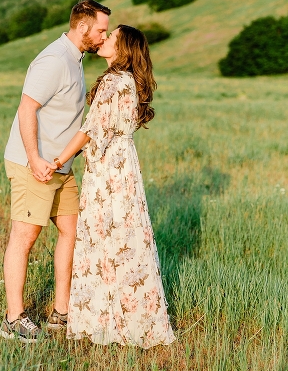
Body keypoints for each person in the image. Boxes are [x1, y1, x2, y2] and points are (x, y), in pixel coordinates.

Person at [51, 25, 175, 348]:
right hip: (125, 168)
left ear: (122, 50)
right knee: (127, 238)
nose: (104, 39)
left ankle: (105, 320)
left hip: (108, 170)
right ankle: (134, 318)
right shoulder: (130, 81)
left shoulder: (112, 82)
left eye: (112, 37)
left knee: (104, 237)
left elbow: (89, 130)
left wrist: (58, 160)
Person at [0, 0, 111, 343]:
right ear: (82, 27)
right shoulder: (54, 60)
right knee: (25, 236)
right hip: (35, 164)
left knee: (70, 231)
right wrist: (34, 158)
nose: (104, 37)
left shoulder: (75, 59)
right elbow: (27, 108)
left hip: (61, 166)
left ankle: (61, 312)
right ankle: (13, 319)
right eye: (101, 30)